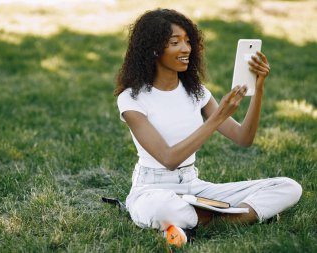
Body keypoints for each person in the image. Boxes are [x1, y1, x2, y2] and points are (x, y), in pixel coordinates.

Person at [114, 9, 302, 246]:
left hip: (193, 186)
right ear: (154, 49)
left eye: (188, 41)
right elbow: (169, 158)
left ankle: (206, 220)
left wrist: (258, 88)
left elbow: (243, 138)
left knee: (289, 187)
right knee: (162, 208)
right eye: (175, 42)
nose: (186, 49)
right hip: (152, 188)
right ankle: (237, 216)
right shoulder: (131, 99)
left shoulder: (197, 92)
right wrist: (217, 117)